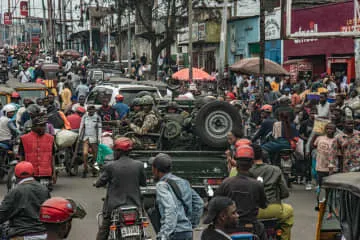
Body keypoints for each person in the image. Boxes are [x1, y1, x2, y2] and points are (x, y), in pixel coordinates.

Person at [95, 137, 146, 240]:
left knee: (104, 229)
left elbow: (100, 182)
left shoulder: (110, 166)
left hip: (115, 206)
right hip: (135, 204)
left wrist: (96, 183)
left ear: (118, 151)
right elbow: (143, 183)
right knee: (142, 224)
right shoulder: (139, 165)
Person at [216, 145, 268, 240]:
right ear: (252, 163)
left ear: (236, 164)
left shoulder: (227, 183)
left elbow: (216, 202)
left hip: (229, 226)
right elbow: (264, 205)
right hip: (251, 226)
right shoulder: (257, 184)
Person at [149, 153, 204, 240]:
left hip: (174, 233)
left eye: (152, 167)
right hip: (187, 233)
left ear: (156, 169)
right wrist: (190, 225)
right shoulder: (183, 182)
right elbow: (199, 203)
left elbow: (171, 208)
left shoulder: (162, 185)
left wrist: (164, 235)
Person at [249, 144, 294, 240]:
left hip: (252, 212)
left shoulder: (245, 171)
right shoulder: (275, 170)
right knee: (289, 211)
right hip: (274, 210)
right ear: (262, 155)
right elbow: (285, 193)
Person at [0, 161, 50, 239]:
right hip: (44, 233)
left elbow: (2, 215)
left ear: (15, 177)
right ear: (33, 174)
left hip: (22, 234)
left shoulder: (15, 191)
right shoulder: (44, 189)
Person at [19, 116, 56, 182]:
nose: (44, 128)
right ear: (34, 126)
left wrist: (54, 173)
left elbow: (52, 157)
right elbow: (21, 157)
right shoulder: (24, 139)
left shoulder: (50, 138)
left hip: (46, 174)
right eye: (41, 125)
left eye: (44, 125)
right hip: (30, 174)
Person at [79, 105, 102, 178]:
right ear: (88, 110)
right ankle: (85, 169)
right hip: (86, 137)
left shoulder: (97, 117)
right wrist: (80, 136)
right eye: (89, 110)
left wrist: (99, 139)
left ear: (94, 111)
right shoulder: (85, 117)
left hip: (94, 138)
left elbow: (99, 129)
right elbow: (81, 126)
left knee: (95, 155)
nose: (91, 111)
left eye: (92, 110)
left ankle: (94, 170)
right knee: (85, 153)